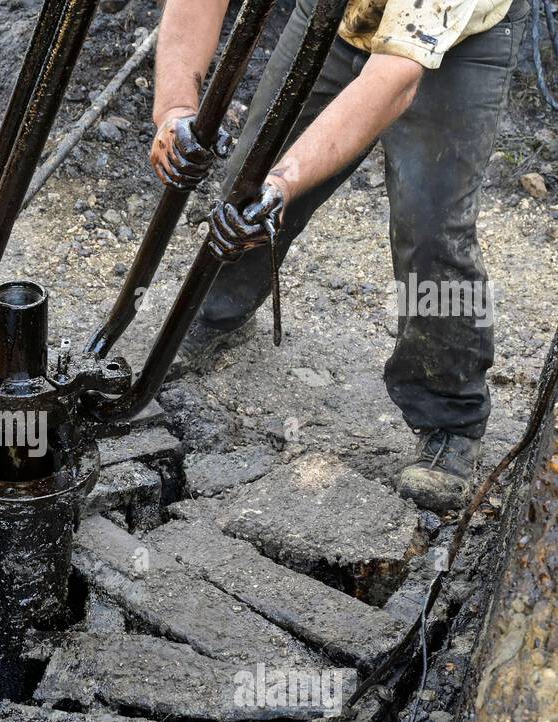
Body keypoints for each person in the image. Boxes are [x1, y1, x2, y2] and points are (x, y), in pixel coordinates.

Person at [149, 0, 530, 512]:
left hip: (457, 43)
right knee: (248, 187)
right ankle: (216, 312)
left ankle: (450, 414)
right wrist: (175, 108)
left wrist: (285, 182)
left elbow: (392, 77)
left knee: (432, 229)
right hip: (334, 16)